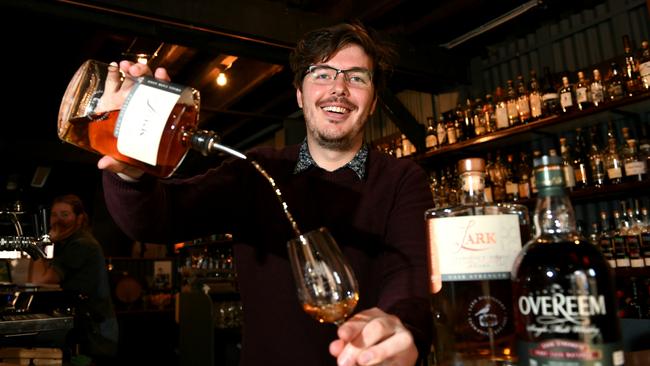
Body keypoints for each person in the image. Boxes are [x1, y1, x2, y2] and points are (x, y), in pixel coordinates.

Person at [99, 21, 433, 366]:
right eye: (322, 74)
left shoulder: (402, 179)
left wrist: (398, 329)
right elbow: (157, 219)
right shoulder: (255, 170)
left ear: (374, 101)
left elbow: (408, 277)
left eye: (357, 77)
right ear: (300, 95)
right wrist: (132, 168)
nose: (339, 88)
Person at [31, 194, 118, 365]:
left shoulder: (81, 244)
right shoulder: (68, 243)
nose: (58, 220)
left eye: (65, 214)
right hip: (87, 327)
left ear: (79, 218)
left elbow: (44, 279)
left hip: (95, 332)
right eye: (54, 215)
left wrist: (41, 246)